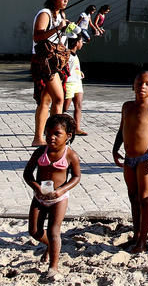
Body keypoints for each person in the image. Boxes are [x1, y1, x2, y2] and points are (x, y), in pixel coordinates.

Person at [112, 71, 148, 253]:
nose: (142, 86)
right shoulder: (127, 106)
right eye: (139, 83)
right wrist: (115, 149)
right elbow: (121, 129)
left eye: (147, 84)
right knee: (133, 197)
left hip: (146, 159)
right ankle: (136, 234)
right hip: (129, 159)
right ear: (133, 85)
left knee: (145, 199)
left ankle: (143, 240)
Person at [24, 114, 82, 279]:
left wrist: (62, 190)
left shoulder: (71, 155)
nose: (51, 137)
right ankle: (50, 246)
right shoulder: (40, 152)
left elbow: (76, 177)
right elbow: (27, 174)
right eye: (48, 133)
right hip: (40, 197)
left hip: (58, 198)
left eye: (57, 134)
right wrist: (36, 187)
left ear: (68, 136)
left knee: (53, 230)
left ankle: (53, 266)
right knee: (34, 231)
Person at [31, 0, 74, 146]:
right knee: (58, 98)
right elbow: (37, 36)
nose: (66, 0)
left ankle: (39, 138)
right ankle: (54, 136)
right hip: (45, 61)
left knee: (45, 100)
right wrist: (58, 28)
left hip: (54, 61)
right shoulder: (45, 14)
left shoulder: (60, 14)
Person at [62, 34, 87, 136]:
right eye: (81, 42)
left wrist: (79, 72)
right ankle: (53, 124)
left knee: (79, 105)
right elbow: (64, 68)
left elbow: (74, 68)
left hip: (77, 82)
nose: (82, 44)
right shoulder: (67, 55)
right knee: (64, 107)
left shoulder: (75, 55)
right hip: (69, 83)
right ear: (77, 43)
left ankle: (77, 128)